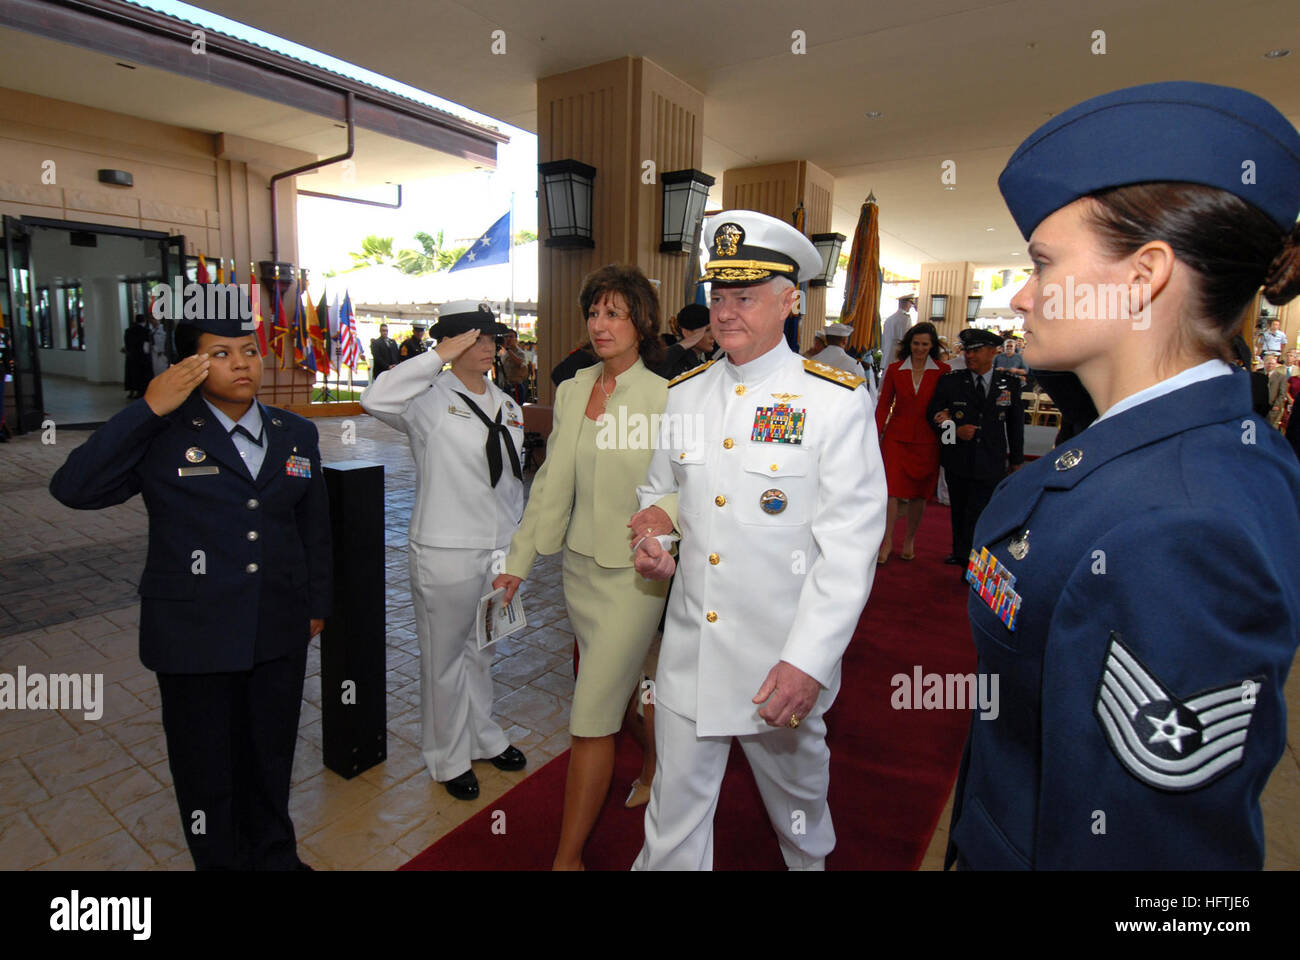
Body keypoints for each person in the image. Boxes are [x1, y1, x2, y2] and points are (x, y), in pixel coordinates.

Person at [944, 81, 1300, 870]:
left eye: (1043, 263)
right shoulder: (1173, 448)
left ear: (1145, 275)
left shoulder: (1179, 528)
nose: (1021, 294)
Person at [629, 210, 887, 870]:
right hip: (689, 651)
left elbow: (850, 546)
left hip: (779, 663)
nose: (727, 311)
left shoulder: (833, 399)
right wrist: (658, 539)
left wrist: (809, 660)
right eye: (719, 296)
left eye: (745, 296)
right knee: (671, 823)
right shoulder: (685, 393)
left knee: (800, 818)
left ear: (789, 300)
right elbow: (663, 493)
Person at [49, 306, 331, 870]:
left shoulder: (294, 432)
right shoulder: (163, 431)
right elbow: (74, 487)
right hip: (194, 632)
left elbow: (313, 528)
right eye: (220, 355)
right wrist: (149, 407)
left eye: (249, 351)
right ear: (190, 366)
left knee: (270, 755)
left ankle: (275, 857)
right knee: (207, 767)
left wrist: (316, 604)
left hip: (277, 626)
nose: (240, 365)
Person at [492, 265, 669, 870]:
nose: (600, 324)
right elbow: (550, 483)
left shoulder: (667, 396)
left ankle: (567, 860)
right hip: (579, 572)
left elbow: (682, 486)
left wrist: (664, 524)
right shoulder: (571, 389)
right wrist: (518, 560)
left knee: (590, 715)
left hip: (634, 578)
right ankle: (655, 758)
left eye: (614, 313)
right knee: (617, 698)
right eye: (594, 313)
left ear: (641, 323)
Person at [360, 301, 528, 800]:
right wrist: (437, 357)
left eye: (491, 339)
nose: (486, 348)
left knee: (484, 648)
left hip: (498, 548)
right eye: (473, 340)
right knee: (445, 656)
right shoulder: (425, 398)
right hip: (445, 546)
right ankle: (447, 756)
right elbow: (375, 397)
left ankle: (483, 735)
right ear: (450, 344)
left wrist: (516, 548)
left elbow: (513, 485)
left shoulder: (510, 406)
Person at [927, 327, 1024, 573]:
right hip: (958, 458)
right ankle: (960, 552)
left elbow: (1015, 425)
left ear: (993, 352)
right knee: (959, 509)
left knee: (981, 511)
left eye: (977, 351)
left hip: (991, 459)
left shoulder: (1009, 384)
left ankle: (974, 558)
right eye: (967, 351)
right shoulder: (951, 382)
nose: (970, 356)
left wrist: (1016, 459)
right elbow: (934, 417)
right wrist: (954, 432)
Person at [876, 321, 950, 562]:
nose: (920, 348)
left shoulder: (943, 371)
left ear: (932, 346)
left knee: (919, 494)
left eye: (925, 344)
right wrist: (874, 436)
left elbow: (948, 405)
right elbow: (883, 405)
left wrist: (948, 428)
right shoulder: (895, 369)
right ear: (909, 344)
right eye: (916, 343)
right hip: (896, 438)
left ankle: (909, 539)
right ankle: (886, 542)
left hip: (928, 440)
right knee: (891, 492)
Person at [811, 322, 873, 402]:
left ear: (826, 340)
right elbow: (863, 395)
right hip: (843, 410)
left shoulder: (813, 360)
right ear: (844, 341)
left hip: (816, 406)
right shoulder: (854, 365)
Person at [655, 303, 715, 381]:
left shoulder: (705, 359)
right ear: (687, 332)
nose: (713, 336)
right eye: (707, 330)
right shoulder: (674, 362)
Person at [881, 295, 917, 369]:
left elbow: (883, 340)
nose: (911, 306)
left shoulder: (889, 319)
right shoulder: (905, 319)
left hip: (887, 354)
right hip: (897, 356)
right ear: (906, 303)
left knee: (885, 378)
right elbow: (905, 339)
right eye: (911, 304)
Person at [123, 313, 152, 399]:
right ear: (144, 321)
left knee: (131, 374)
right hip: (142, 356)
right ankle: (141, 391)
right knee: (142, 374)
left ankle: (131, 391)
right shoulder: (146, 331)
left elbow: (127, 344)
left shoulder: (128, 331)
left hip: (131, 355)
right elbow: (147, 344)